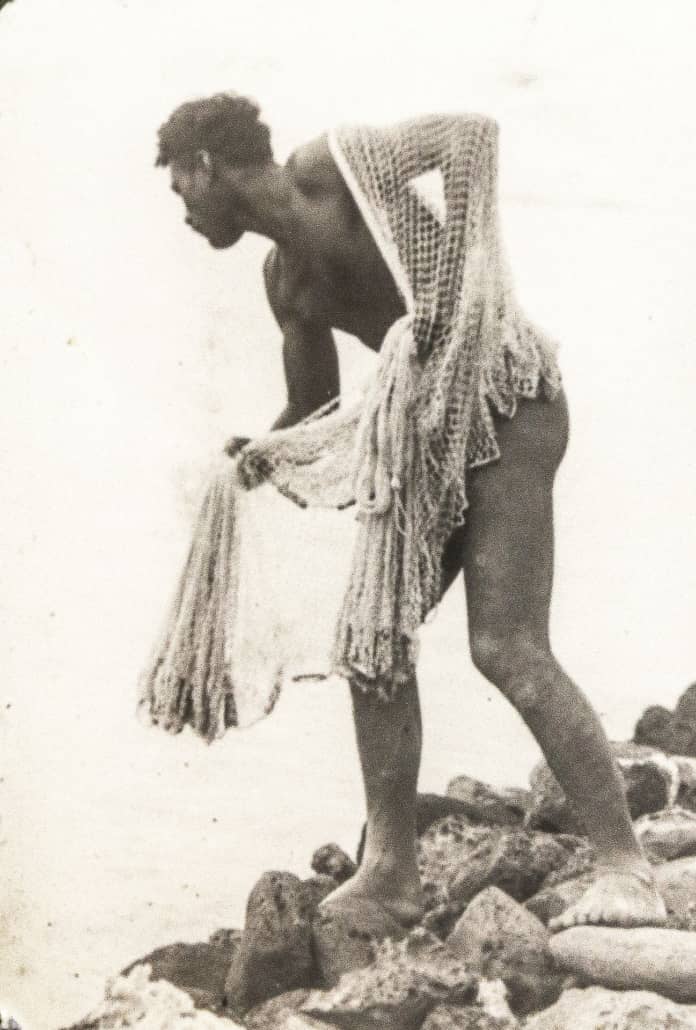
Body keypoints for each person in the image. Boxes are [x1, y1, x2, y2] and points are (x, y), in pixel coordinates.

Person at [154, 93, 667, 931]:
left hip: (506, 401)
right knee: (374, 639)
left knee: (506, 646)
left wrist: (460, 292)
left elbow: (471, 136)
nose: (183, 212)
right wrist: (265, 450)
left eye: (180, 189)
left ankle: (627, 868)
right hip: (433, 439)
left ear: (205, 166)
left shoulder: (336, 166)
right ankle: (392, 871)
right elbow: (314, 403)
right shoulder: (285, 280)